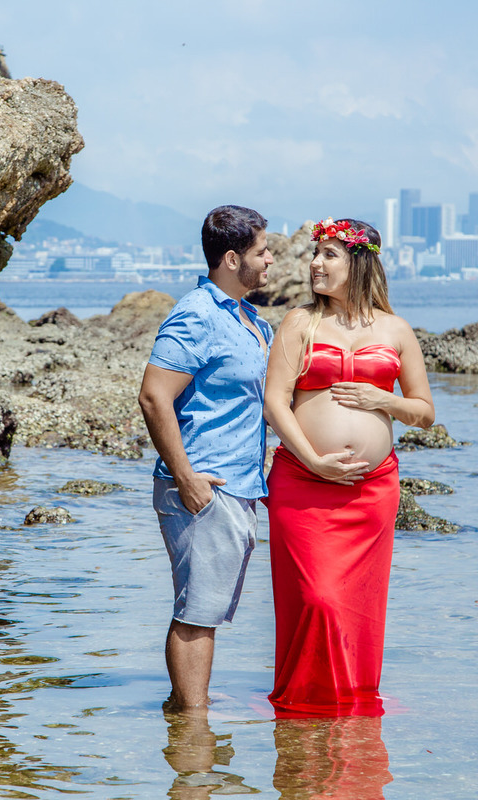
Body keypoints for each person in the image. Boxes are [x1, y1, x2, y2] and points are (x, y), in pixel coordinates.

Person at [263, 217, 435, 717]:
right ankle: (304, 706)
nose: (315, 263)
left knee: (357, 606)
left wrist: (384, 399)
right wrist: (313, 459)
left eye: (329, 254)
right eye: (314, 254)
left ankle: (350, 708)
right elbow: (275, 402)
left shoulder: (396, 329)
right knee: (317, 599)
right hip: (302, 483)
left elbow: (424, 412)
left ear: (359, 262)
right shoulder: (299, 323)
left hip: (370, 493)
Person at [138, 204, 274, 710]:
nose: (273, 261)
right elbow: (154, 396)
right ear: (233, 259)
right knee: (197, 612)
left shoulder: (247, 318)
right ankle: (193, 737)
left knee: (207, 611)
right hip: (204, 487)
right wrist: (188, 478)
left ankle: (189, 722)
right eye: (265, 251)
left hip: (238, 485)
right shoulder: (196, 314)